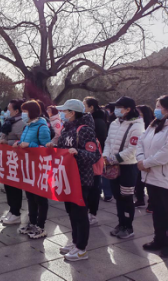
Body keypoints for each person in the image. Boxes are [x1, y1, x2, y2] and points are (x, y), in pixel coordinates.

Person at [47, 99, 100, 261]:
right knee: (71, 212)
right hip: (67, 177)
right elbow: (63, 150)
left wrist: (77, 152)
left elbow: (94, 155)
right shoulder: (66, 129)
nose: (62, 114)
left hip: (81, 179)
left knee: (80, 213)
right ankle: (75, 241)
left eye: (65, 111)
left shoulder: (85, 130)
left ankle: (81, 248)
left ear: (73, 112)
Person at [103, 96, 144, 239]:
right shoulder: (115, 122)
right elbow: (108, 141)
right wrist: (106, 156)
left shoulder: (137, 125)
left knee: (126, 197)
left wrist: (114, 158)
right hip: (113, 166)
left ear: (128, 109)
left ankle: (128, 226)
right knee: (117, 197)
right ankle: (121, 223)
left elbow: (133, 149)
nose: (116, 110)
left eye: (119, 108)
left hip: (128, 167)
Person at [137, 95, 168, 258]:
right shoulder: (154, 124)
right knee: (158, 211)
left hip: (165, 179)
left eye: (158, 105)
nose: (156, 108)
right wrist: (141, 160)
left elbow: (165, 152)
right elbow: (140, 142)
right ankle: (159, 239)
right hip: (152, 177)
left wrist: (146, 163)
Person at [14, 100, 51, 238]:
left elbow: (47, 148)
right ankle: (32, 222)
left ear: (32, 112)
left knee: (40, 198)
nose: (23, 114)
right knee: (30, 197)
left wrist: (29, 145)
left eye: (25, 111)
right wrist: (19, 143)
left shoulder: (42, 127)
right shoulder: (28, 126)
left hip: (39, 167)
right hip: (27, 166)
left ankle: (40, 226)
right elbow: (25, 143)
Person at [0, 99, 25, 224]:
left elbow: (22, 141)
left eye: (9, 110)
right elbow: (5, 135)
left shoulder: (20, 123)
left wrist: (7, 142)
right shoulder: (9, 121)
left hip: (16, 159)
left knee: (14, 186)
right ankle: (11, 210)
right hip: (7, 158)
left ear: (16, 111)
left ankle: (16, 212)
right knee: (8, 185)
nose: (6, 112)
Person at [83, 97, 109, 225]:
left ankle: (92, 214)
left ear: (91, 107)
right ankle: (87, 212)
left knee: (94, 188)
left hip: (95, 159)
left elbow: (102, 140)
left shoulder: (97, 122)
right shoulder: (92, 120)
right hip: (87, 159)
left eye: (84, 105)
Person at [135, 105, 155, 212]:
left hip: (151, 160)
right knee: (139, 181)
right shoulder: (136, 125)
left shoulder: (153, 126)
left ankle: (151, 204)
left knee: (150, 183)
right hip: (139, 158)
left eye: (139, 114)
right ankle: (140, 199)